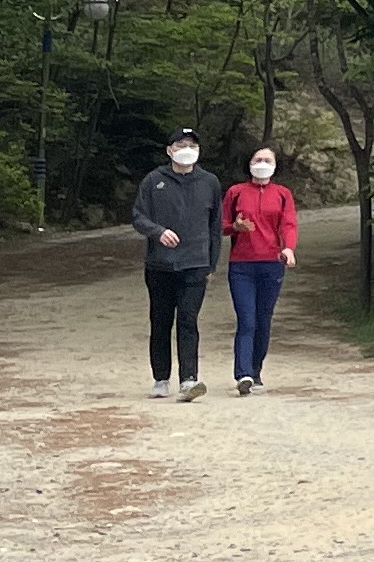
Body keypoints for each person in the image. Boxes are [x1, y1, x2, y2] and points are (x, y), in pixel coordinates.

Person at [128, 128, 224, 400]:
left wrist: (211, 264)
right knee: (160, 321)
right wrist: (157, 232)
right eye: (181, 145)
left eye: (192, 145)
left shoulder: (209, 182)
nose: (186, 150)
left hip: (195, 264)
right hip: (160, 265)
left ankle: (189, 379)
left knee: (188, 320)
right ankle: (161, 378)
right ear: (169, 150)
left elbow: (215, 227)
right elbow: (138, 216)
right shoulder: (154, 180)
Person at [222, 146, 298, 395]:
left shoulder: (282, 194)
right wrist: (235, 227)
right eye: (257, 159)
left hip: (271, 264)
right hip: (241, 265)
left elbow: (288, 224)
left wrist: (288, 248)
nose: (262, 163)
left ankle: (255, 370)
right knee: (247, 320)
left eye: (267, 160)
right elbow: (221, 225)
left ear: (275, 165)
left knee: (263, 320)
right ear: (249, 163)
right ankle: (242, 373)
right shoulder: (236, 192)